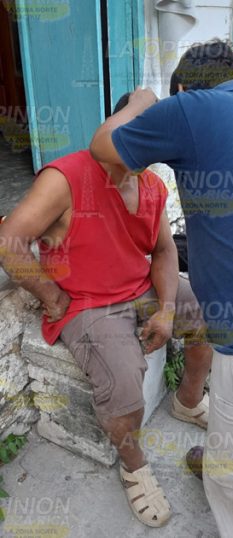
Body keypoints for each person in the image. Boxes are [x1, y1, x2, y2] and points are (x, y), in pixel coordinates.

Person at [88, 40, 233, 536]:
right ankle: (226, 456)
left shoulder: (193, 108)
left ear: (183, 89)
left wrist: (142, 101)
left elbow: (103, 145)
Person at [0, 93, 212, 528]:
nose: (148, 149)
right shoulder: (69, 176)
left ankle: (188, 400)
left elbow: (164, 250)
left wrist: (169, 309)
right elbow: (10, 241)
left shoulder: (152, 186)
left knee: (209, 314)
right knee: (121, 380)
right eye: (139, 135)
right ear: (116, 130)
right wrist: (53, 297)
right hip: (88, 302)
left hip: (139, 289)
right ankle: (133, 464)